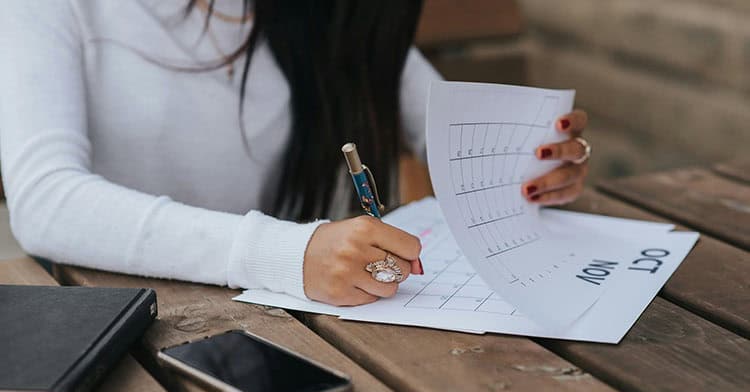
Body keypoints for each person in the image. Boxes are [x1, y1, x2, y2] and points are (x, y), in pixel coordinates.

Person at [0, 0, 590, 307]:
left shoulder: (331, 13)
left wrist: (530, 165)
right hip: (131, 337)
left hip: (319, 330)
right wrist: (288, 253)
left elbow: (448, 139)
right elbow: (47, 200)